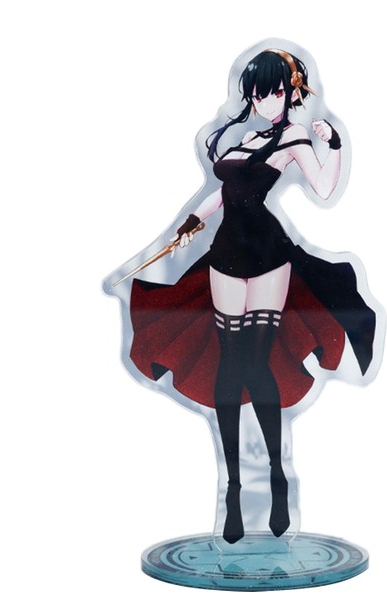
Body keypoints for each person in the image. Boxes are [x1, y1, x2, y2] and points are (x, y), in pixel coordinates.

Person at [128, 49, 376, 544]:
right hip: (225, 253)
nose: (266, 102)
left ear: (290, 91)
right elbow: (222, 194)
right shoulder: (243, 139)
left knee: (256, 363)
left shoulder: (293, 136)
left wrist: (333, 142)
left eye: (276, 92)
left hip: (267, 253)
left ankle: (278, 479)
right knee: (229, 364)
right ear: (250, 96)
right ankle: (234, 490)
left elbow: (325, 188)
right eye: (259, 94)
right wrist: (189, 224)